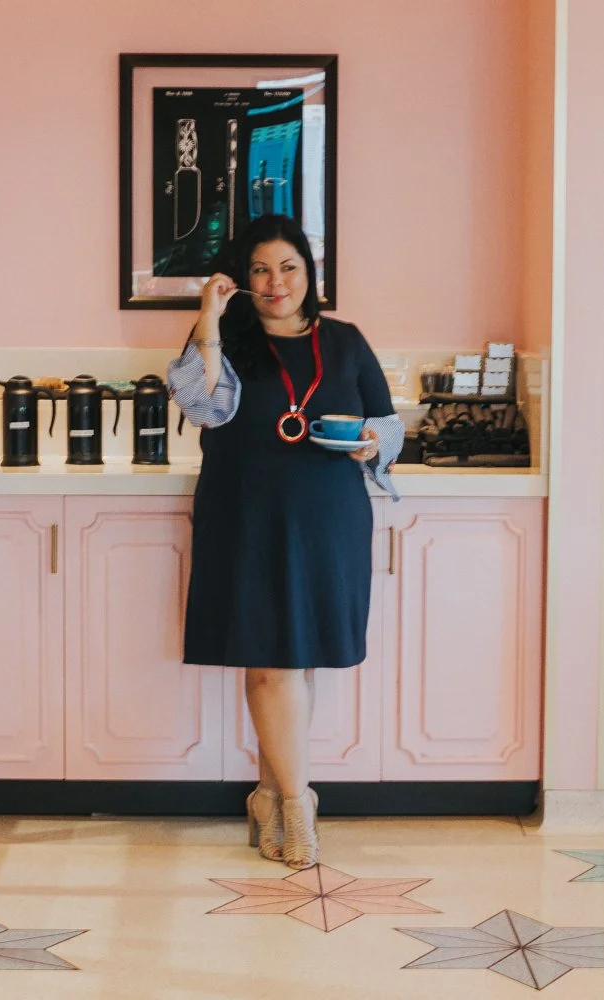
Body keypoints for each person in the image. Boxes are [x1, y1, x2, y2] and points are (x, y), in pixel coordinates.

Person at [167, 215, 404, 869]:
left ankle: (269, 794)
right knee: (268, 659)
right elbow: (201, 406)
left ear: (309, 272)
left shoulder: (345, 341)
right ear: (243, 281)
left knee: (294, 660)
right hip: (243, 513)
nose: (276, 283)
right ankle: (300, 807)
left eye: (288, 267)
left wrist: (372, 443)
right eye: (261, 270)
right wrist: (207, 319)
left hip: (326, 515)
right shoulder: (229, 340)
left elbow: (386, 422)